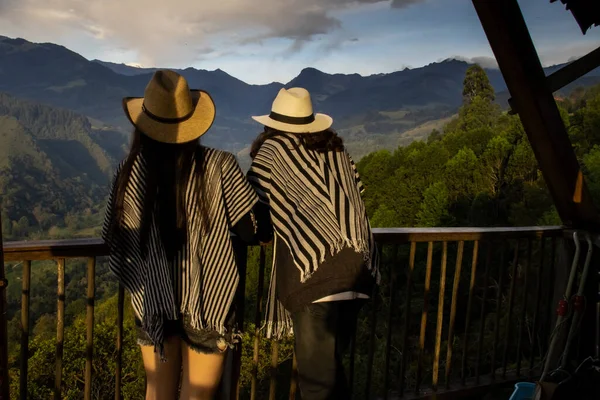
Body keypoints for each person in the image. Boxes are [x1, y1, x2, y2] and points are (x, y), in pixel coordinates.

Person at [102, 70, 258, 400]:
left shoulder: (130, 171)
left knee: (157, 390)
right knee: (198, 395)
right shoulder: (220, 165)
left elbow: (115, 240)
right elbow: (250, 229)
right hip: (208, 297)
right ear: (192, 123)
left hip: (153, 301)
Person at [247, 87, 380, 399]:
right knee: (331, 374)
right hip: (358, 270)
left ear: (272, 125)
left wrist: (263, 235)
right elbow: (355, 200)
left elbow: (255, 208)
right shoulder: (336, 151)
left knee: (317, 385)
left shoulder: (273, 151)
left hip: (316, 278)